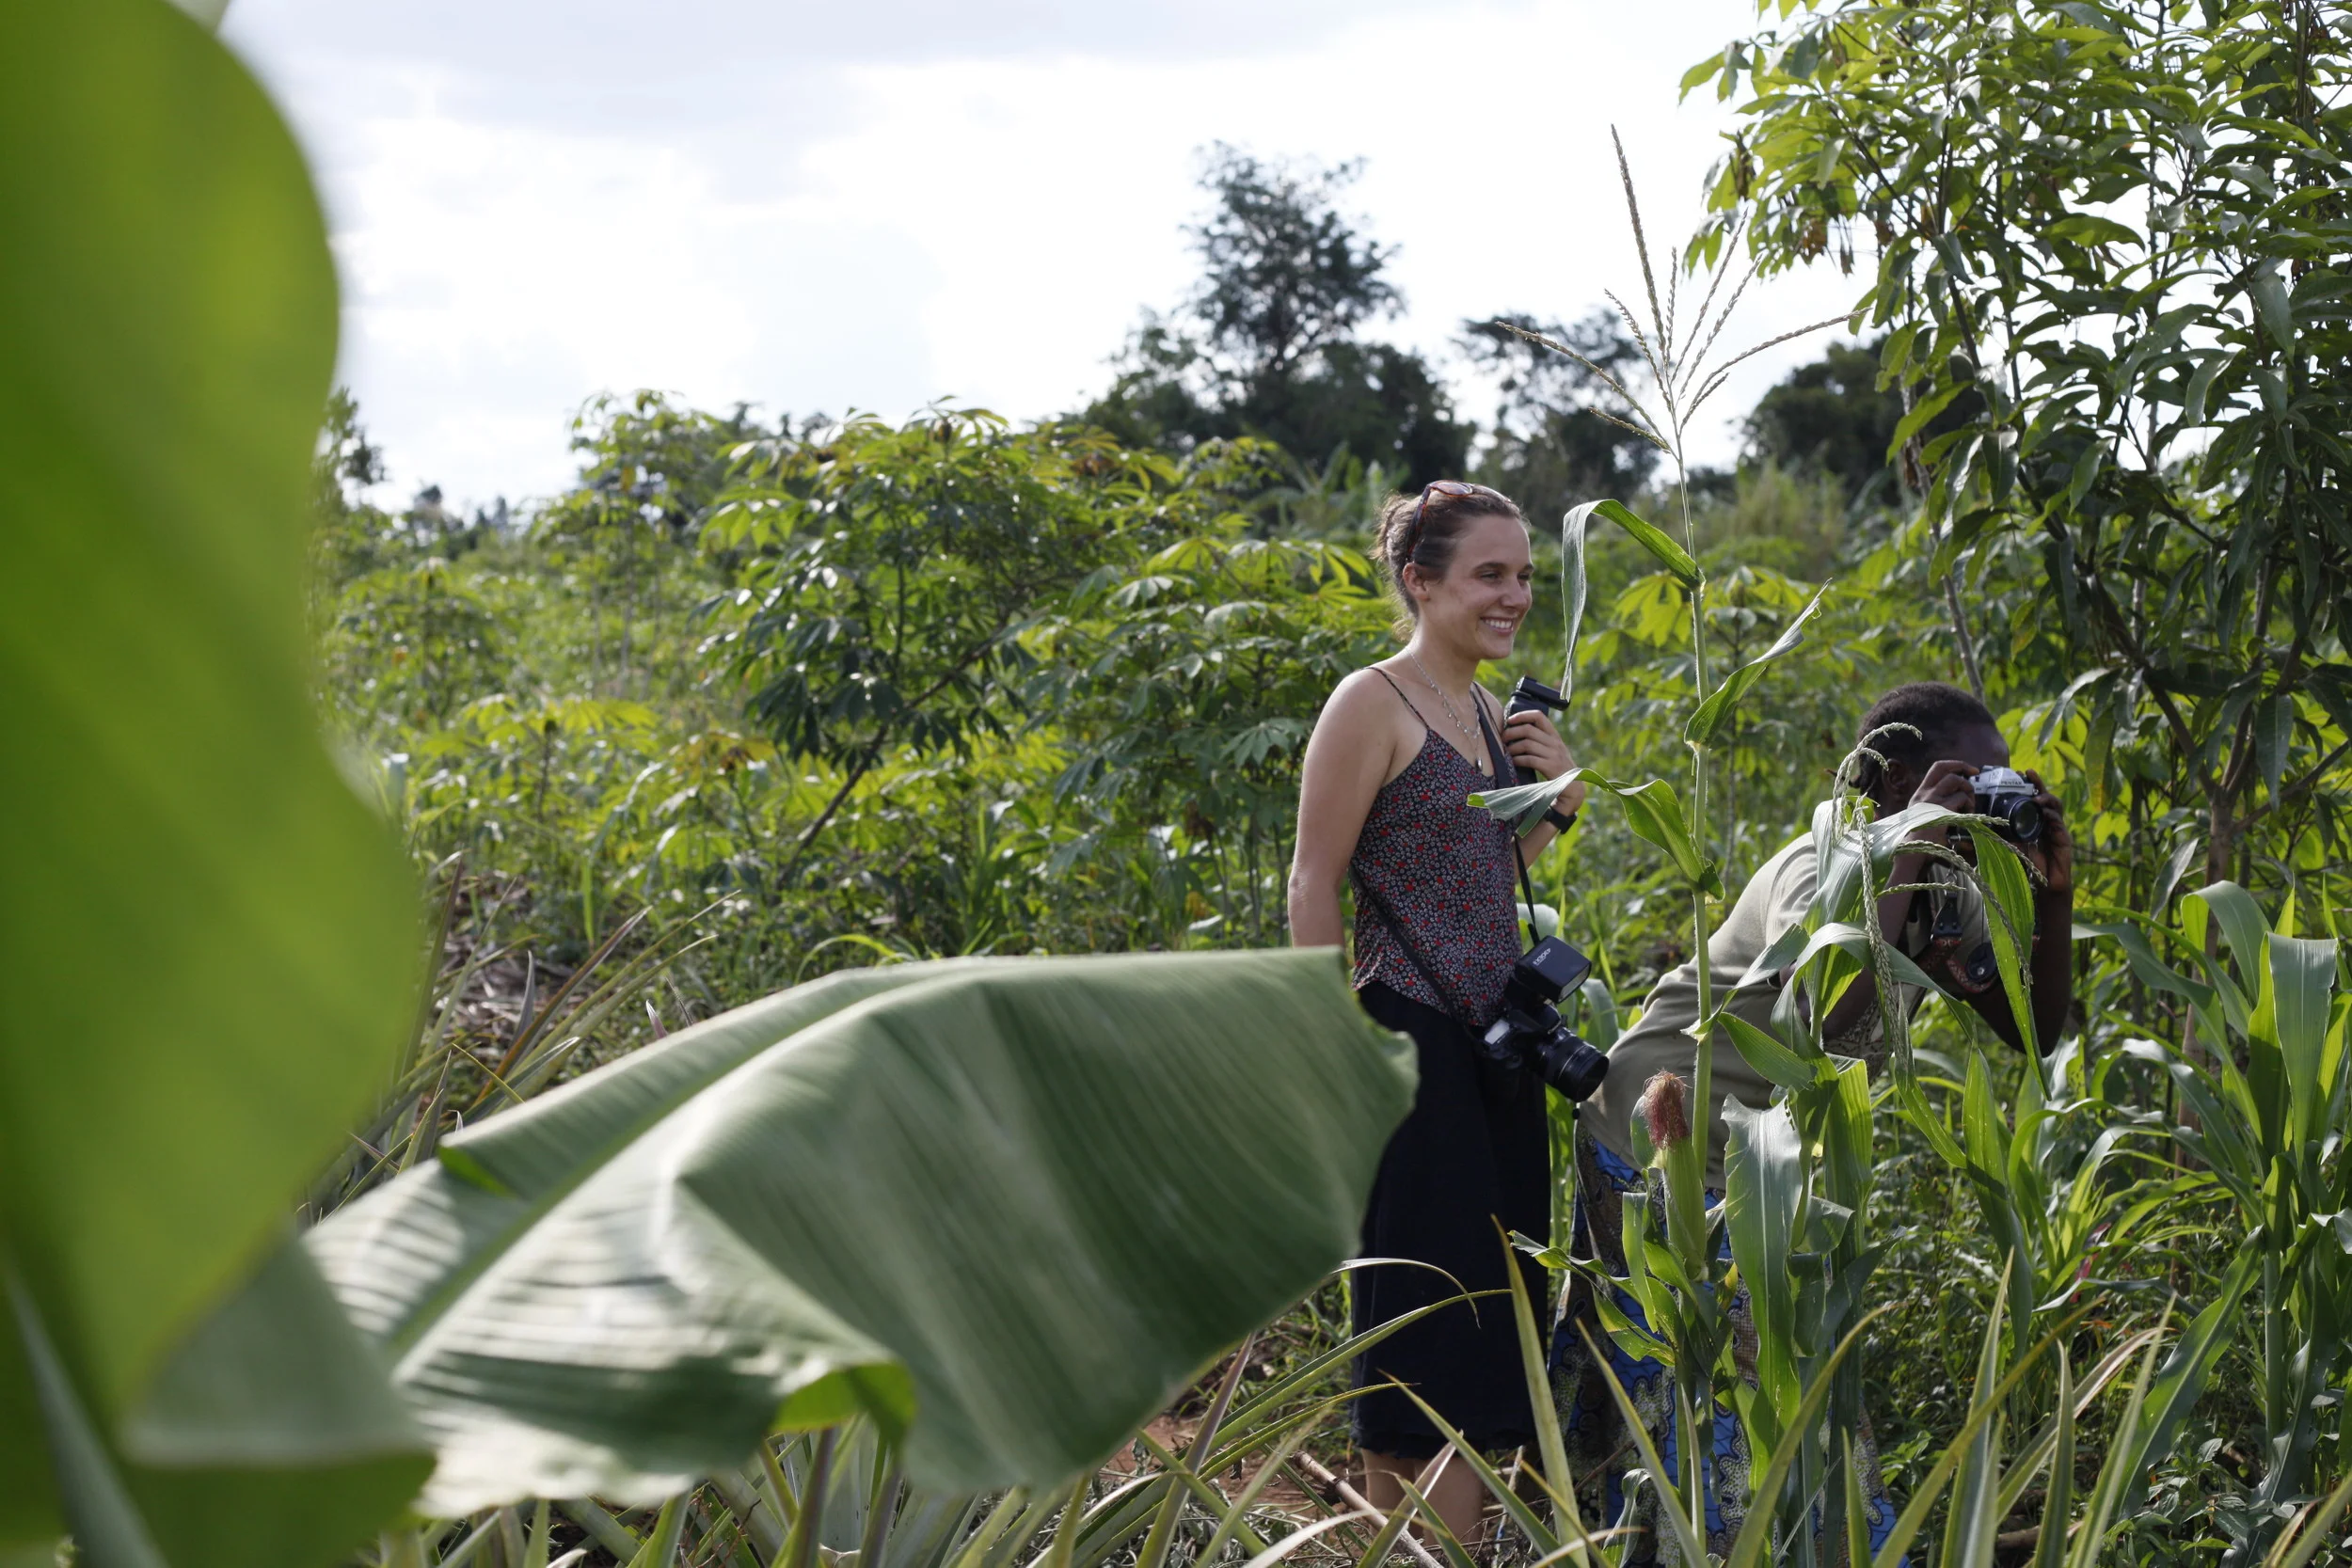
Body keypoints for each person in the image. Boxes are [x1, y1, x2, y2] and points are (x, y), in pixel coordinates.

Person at [1555, 679, 2075, 1556]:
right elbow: (1819, 1010)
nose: (1989, 806)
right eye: (1971, 786)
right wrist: (1906, 850)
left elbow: (2035, 1025)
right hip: (1661, 1138)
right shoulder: (1821, 861)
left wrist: (2052, 897)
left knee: (1783, 1376)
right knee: (1691, 1374)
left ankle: (1807, 1541)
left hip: (1762, 1167)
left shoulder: (1945, 886)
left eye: (2002, 790)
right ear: (1898, 781)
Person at [1287, 480, 1583, 1543]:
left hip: (1490, 1047)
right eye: (1488, 575)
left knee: (1488, 1323)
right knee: (1422, 1331)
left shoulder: (1486, 715)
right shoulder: (1372, 701)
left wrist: (1553, 806)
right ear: (1420, 581)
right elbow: (1313, 881)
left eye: (1523, 578)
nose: (1513, 597)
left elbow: (1467, 885)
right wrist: (1330, 1052)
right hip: (1401, 1038)